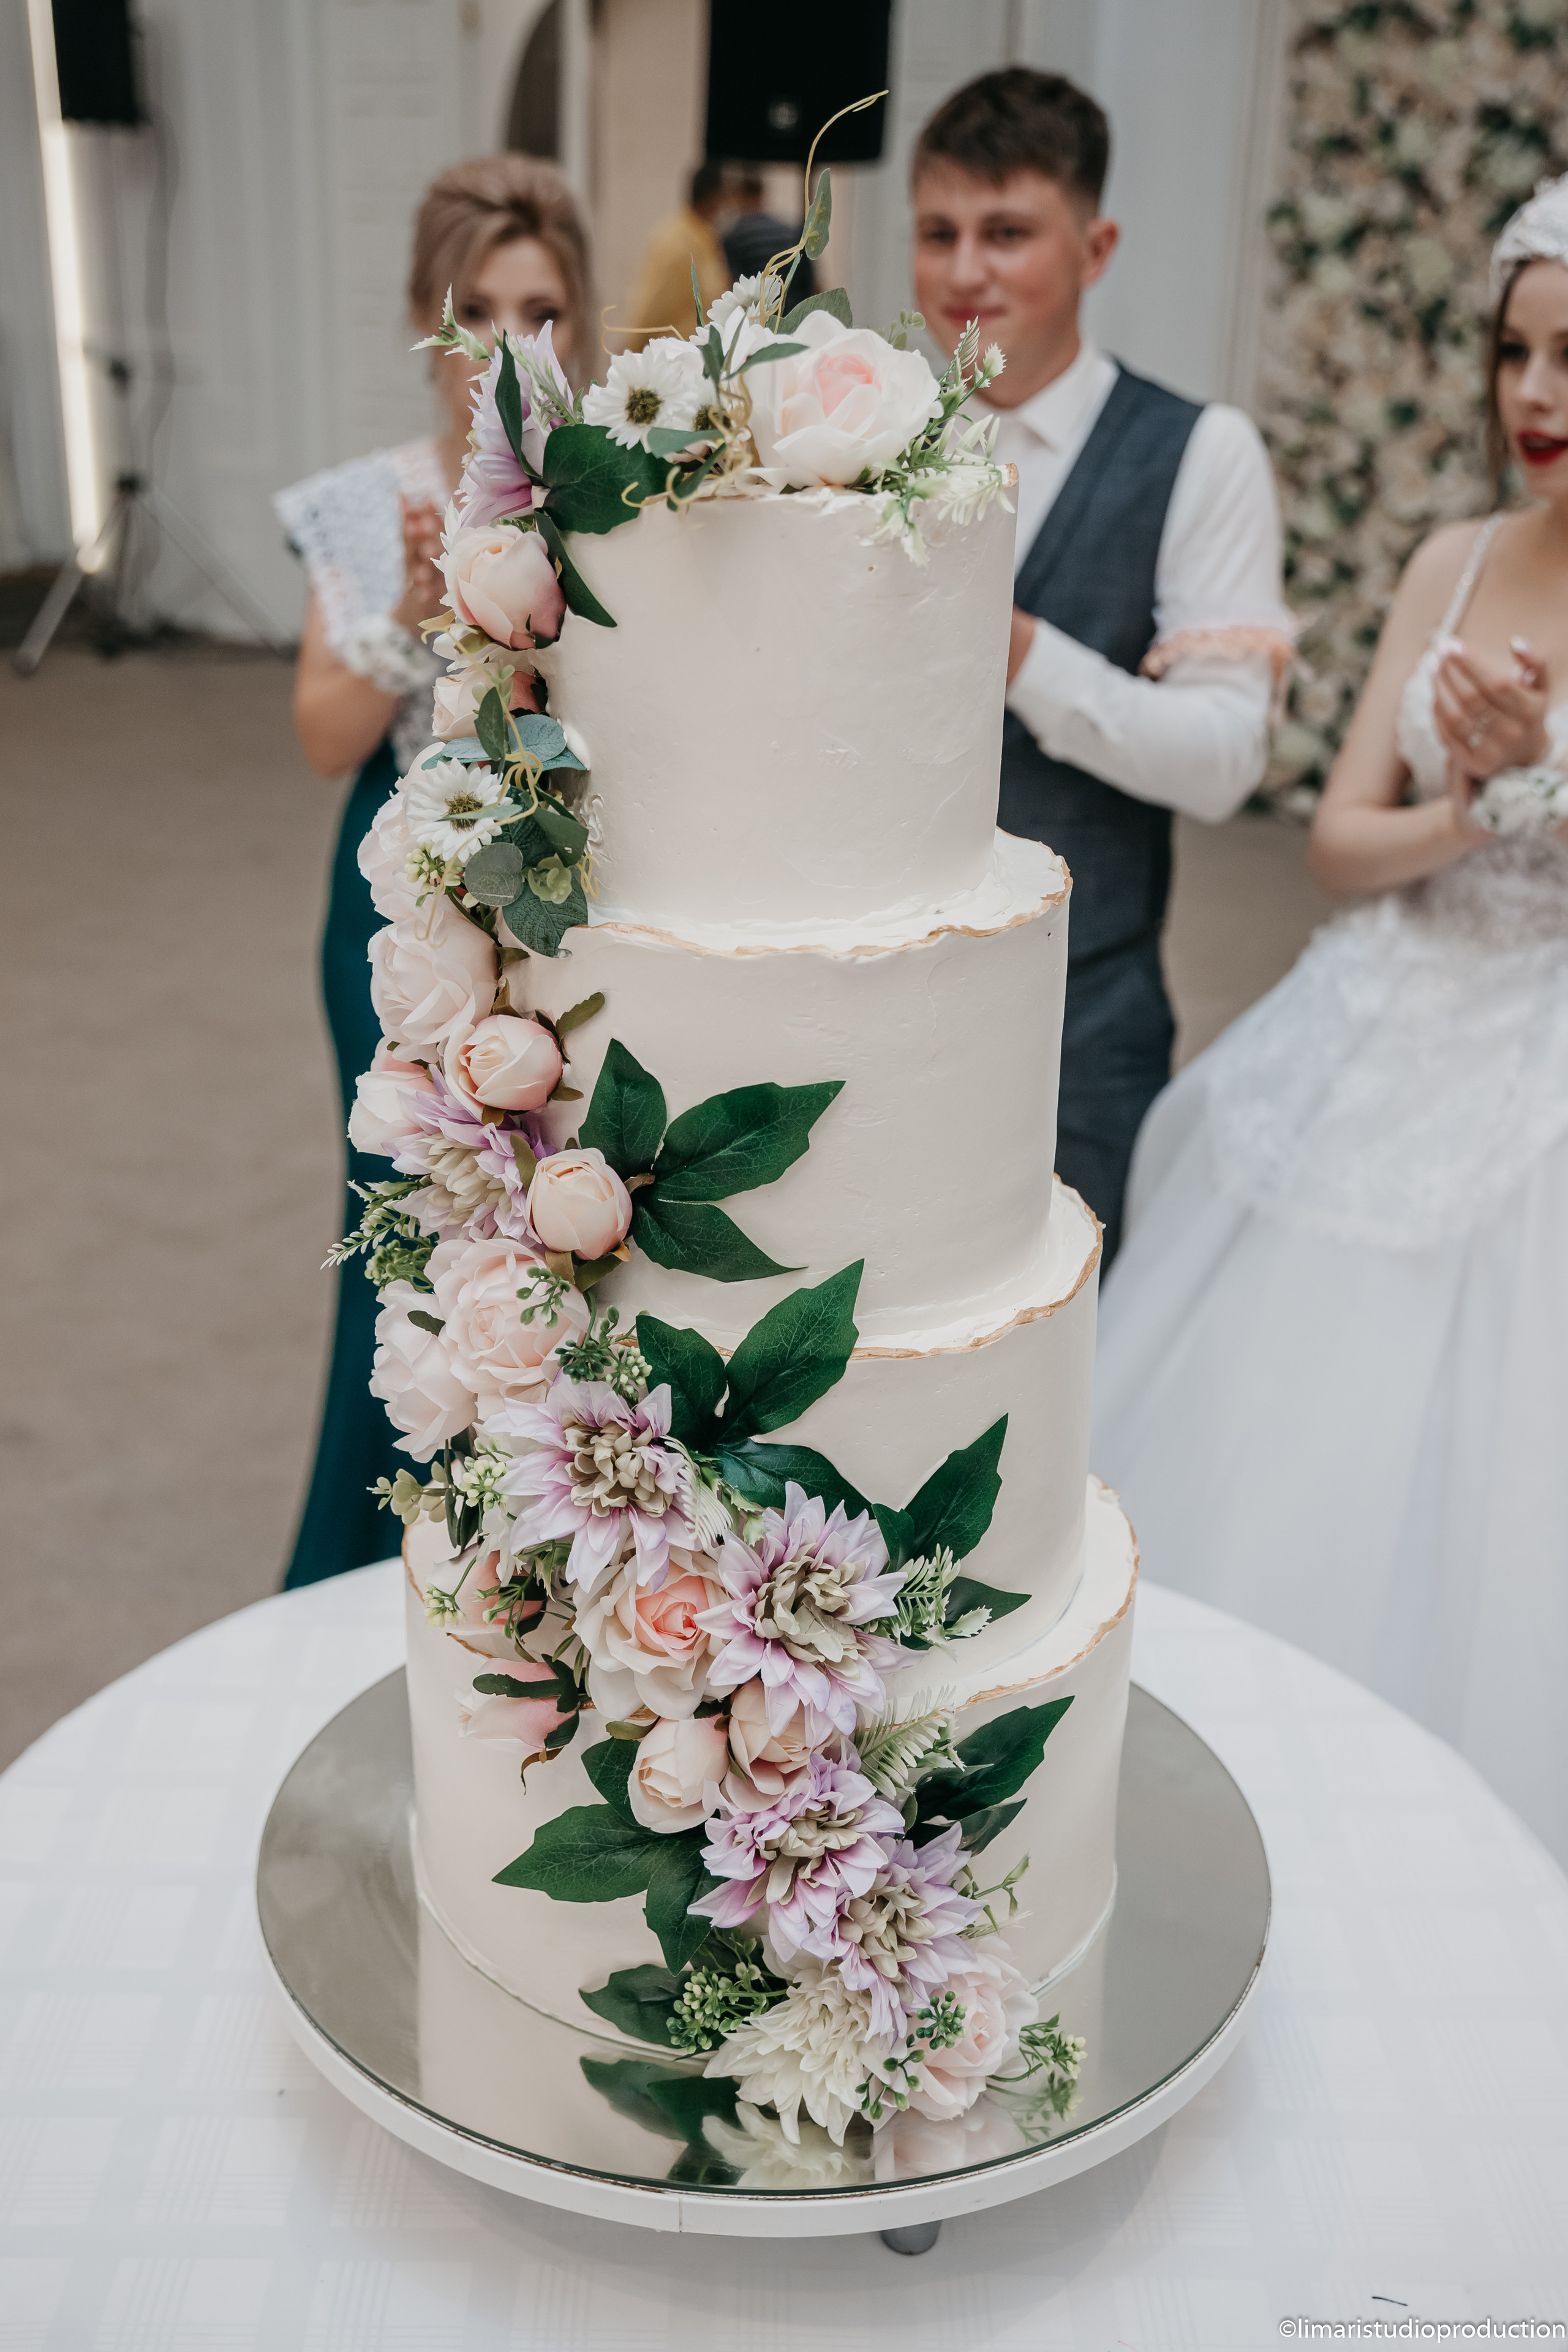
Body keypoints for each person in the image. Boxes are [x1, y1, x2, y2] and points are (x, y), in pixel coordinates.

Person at [1092, 178, 1568, 1868]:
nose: (1533, 396)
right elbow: (1337, 846)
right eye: (1514, 352)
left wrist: (1544, 786)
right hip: (1376, 1008)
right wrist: (1481, 803)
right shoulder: (1454, 558)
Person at [274, 155, 593, 1588]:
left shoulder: (621, 495)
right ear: (427, 317)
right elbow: (322, 731)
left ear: (580, 325)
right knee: (410, 1240)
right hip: (407, 919)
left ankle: (545, 1569)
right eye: (476, 312)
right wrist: (414, 603)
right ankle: (364, 1571)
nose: (507, 347)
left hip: (574, 905)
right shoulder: (378, 499)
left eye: (541, 310)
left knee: (566, 1234)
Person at [912, 69, 1292, 1263]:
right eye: (937, 233)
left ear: (1095, 244)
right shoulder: (865, 440)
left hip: (1077, 1020)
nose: (964, 272)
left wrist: (1019, 651)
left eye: (1006, 232)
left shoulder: (1197, 454)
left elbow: (1223, 760)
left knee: (1062, 1368)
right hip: (868, 1002)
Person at [626, 159, 731, 345]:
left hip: (697, 353)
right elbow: (652, 301)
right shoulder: (675, 241)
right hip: (672, 354)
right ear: (714, 197)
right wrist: (632, 347)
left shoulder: (704, 237)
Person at [723, 165, 813, 303]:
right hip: (797, 317)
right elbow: (814, 286)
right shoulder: (793, 232)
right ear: (763, 193)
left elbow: (733, 289)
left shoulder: (734, 237)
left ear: (738, 195)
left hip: (760, 319)